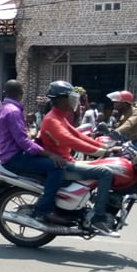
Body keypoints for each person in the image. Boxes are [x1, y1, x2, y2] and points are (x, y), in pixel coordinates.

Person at [39, 80, 117, 236]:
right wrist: (100, 151)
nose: (73, 101)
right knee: (105, 172)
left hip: (68, 160)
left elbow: (78, 135)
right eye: (70, 97)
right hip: (63, 165)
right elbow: (71, 140)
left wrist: (103, 148)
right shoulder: (52, 119)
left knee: (103, 165)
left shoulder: (60, 116)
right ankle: (98, 217)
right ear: (59, 99)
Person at [0, 79, 69, 225]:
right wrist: (50, 154)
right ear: (21, 93)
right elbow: (23, 142)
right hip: (15, 157)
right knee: (56, 167)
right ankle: (45, 210)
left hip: (13, 154)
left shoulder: (6, 108)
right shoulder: (13, 111)